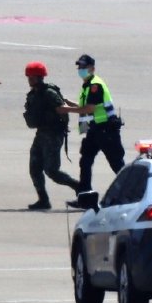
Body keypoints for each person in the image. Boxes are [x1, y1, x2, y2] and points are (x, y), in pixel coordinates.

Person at [22, 61, 82, 210]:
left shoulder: (49, 93)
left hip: (53, 135)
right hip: (41, 133)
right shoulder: (34, 94)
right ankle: (43, 200)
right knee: (34, 167)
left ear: (39, 77)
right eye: (28, 76)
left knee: (52, 171)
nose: (29, 79)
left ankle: (78, 186)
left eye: (32, 76)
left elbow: (61, 108)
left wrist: (81, 109)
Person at [64, 54, 124, 203]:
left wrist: (65, 110)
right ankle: (85, 197)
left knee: (117, 165)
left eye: (84, 67)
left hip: (106, 130)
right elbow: (84, 107)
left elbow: (89, 108)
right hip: (95, 130)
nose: (81, 70)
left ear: (92, 68)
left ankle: (134, 194)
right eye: (79, 67)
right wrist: (67, 103)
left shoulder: (95, 85)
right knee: (85, 161)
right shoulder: (87, 86)